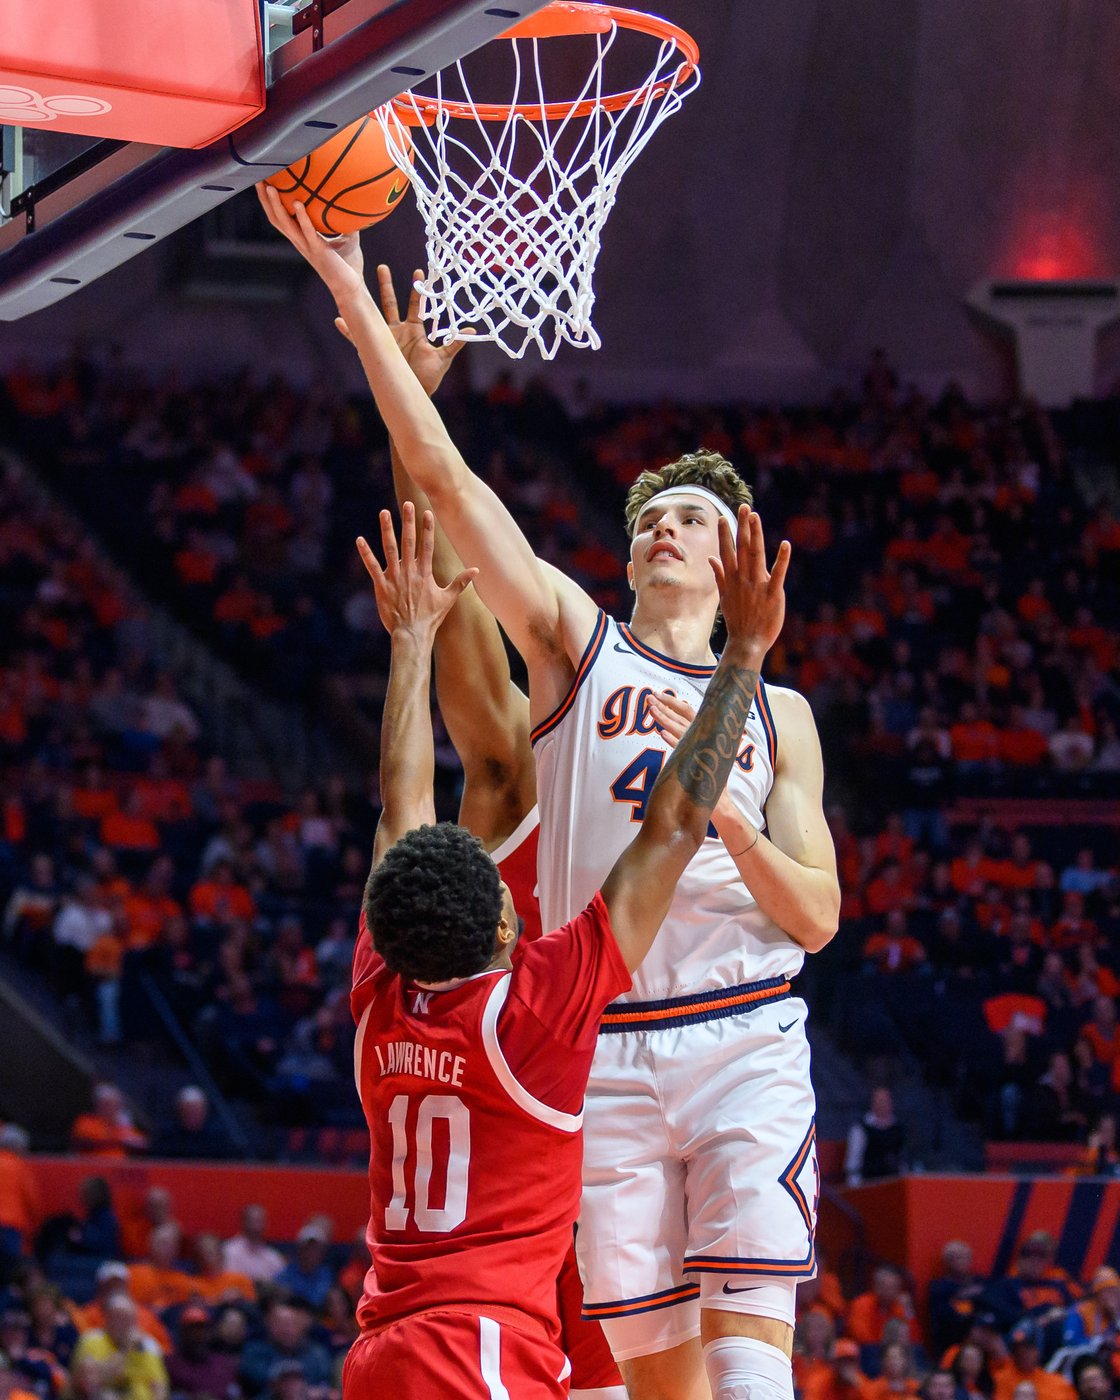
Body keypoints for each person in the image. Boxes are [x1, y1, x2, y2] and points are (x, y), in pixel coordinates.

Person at [261, 178, 838, 1400]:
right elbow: (457, 525)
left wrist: (733, 754)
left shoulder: (780, 713)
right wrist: (385, 359)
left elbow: (815, 910)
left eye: (694, 513)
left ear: (738, 549)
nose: (668, 528)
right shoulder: (570, 667)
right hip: (595, 1066)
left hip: (735, 1028)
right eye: (653, 516)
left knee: (749, 1375)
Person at [342, 497, 782, 1397]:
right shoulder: (531, 1017)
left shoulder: (380, 1003)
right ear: (508, 925)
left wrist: (413, 643)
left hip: (382, 1346)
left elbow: (401, 813)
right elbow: (671, 827)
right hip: (483, 1347)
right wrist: (746, 657)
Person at [368, 260, 622, 1400]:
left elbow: (394, 801)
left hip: (601, 1161)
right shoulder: (511, 792)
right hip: (515, 1228)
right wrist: (409, 417)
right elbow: (442, 587)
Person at [71, 1293, 169, 1400]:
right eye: (117, 1318)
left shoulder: (146, 1345)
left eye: (126, 1319)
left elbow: (159, 1385)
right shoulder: (92, 1339)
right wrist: (126, 1350)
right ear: (106, 1318)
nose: (121, 1324)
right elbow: (89, 1383)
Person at [846, 1088, 906, 1185]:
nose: (883, 1104)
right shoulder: (861, 1129)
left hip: (895, 1183)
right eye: (880, 1101)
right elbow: (853, 1163)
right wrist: (855, 1188)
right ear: (872, 1103)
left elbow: (903, 1160)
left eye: (886, 1101)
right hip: (869, 1184)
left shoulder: (898, 1128)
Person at [221, 1207, 284, 1285]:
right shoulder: (228, 1251)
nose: (256, 1226)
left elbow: (281, 1284)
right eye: (252, 1221)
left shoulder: (273, 1256)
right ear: (243, 1222)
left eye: (260, 1221)